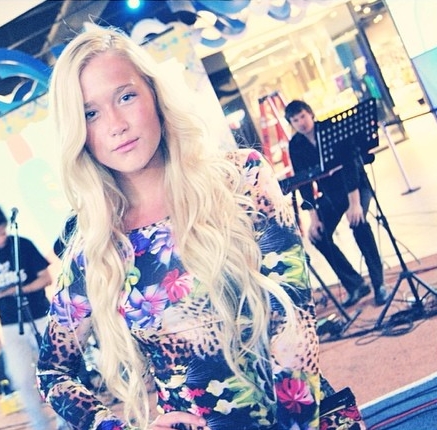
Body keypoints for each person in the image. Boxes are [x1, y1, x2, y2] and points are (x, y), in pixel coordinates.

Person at [36, 27, 322, 430]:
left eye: (126, 96)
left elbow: (295, 320)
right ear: (78, 131)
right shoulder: (96, 247)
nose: (116, 124)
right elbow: (52, 373)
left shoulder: (242, 180)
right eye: (90, 113)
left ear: (154, 95)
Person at [284, 99, 388, 307]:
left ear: (311, 114)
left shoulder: (331, 129)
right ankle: (355, 285)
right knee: (318, 236)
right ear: (291, 124)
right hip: (331, 194)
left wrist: (355, 204)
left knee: (358, 223)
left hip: (356, 187)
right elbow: (304, 182)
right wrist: (313, 218)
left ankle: (379, 284)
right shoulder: (295, 145)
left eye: (303, 116)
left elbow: (350, 166)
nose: (301, 123)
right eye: (295, 120)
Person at [0, 203, 60, 429]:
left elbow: (46, 278)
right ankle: (40, 423)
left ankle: (64, 420)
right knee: (21, 377)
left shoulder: (22, 245)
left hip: (40, 316)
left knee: (55, 370)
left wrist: (17, 290)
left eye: (3, 232)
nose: (2, 238)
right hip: (10, 325)